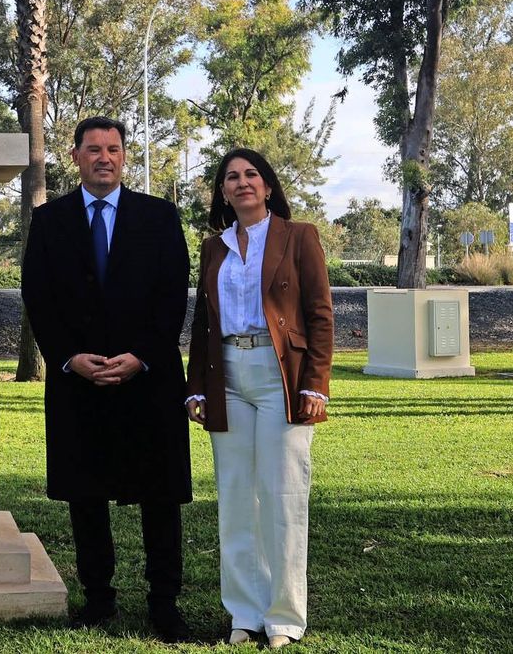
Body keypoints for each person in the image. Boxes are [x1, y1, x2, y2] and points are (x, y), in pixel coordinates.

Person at [21, 116, 193, 643]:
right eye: (93, 149)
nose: (104, 158)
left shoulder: (159, 217)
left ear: (124, 156)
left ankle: (164, 603)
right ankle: (98, 599)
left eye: (113, 149)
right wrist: (68, 357)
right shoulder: (49, 221)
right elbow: (38, 296)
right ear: (75, 156)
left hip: (149, 379)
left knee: (159, 495)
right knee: (86, 493)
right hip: (79, 380)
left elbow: (173, 294)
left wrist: (142, 356)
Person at [185, 148, 333, 649]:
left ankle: (284, 618)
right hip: (226, 375)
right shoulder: (214, 247)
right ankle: (244, 614)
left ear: (268, 186)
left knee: (282, 494)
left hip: (280, 376)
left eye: (251, 174)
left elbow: (320, 315)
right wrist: (196, 386)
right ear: (223, 192)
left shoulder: (299, 236)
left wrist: (315, 384)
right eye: (232, 177)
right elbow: (203, 323)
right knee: (235, 499)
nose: (242, 182)